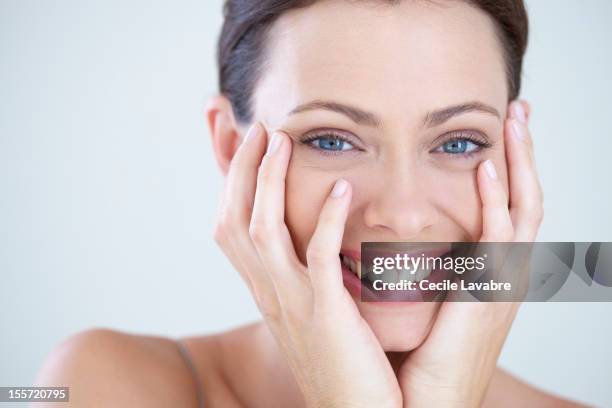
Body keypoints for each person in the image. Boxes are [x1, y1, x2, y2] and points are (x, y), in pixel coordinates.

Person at [35, 0, 587, 406]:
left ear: (518, 152)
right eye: (330, 140)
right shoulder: (100, 384)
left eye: (459, 143)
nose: (402, 213)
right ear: (232, 146)